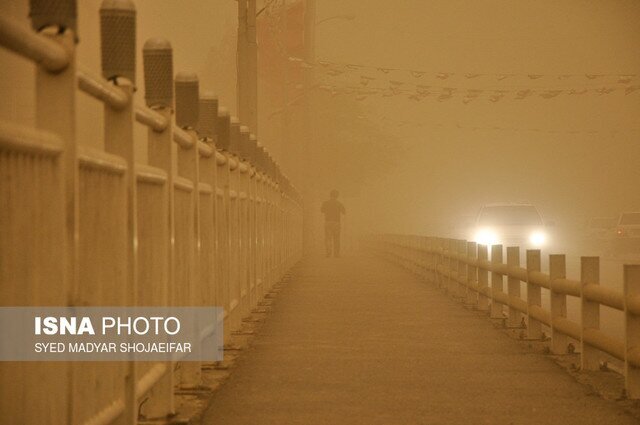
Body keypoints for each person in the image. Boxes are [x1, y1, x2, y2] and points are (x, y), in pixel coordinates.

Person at [321, 190, 346, 257]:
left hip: (328, 222)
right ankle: (336, 254)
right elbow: (344, 212)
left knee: (328, 238)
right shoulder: (339, 203)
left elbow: (322, 210)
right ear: (337, 196)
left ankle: (328, 252)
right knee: (336, 238)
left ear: (330, 195)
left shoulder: (325, 203)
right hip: (336, 223)